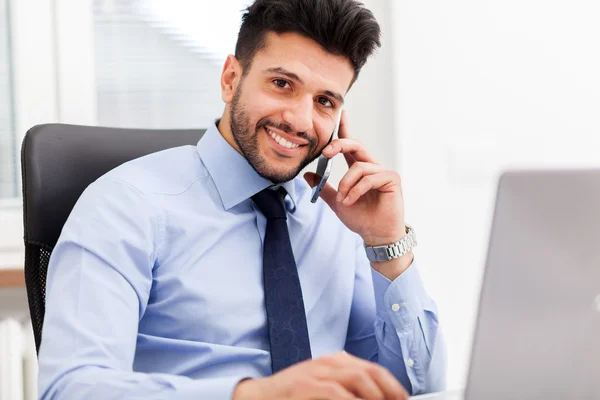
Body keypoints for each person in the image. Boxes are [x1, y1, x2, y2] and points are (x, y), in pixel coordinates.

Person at [38, 0, 446, 399]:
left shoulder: (334, 220)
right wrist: (255, 395)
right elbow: (70, 387)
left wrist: (386, 245)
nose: (301, 121)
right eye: (282, 84)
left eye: (325, 101)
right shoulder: (126, 206)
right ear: (230, 79)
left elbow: (415, 389)